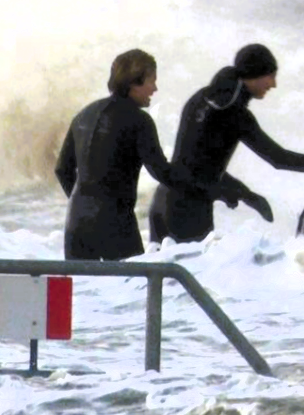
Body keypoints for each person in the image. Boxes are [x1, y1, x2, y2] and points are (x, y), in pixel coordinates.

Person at [55, 49, 233, 261]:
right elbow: (163, 173)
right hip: (115, 222)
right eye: (151, 81)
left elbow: (62, 169)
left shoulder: (84, 114)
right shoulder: (138, 121)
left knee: (83, 291)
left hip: (76, 223)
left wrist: (83, 204)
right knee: (134, 287)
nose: (155, 88)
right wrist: (208, 189)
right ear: (134, 82)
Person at [148, 43, 304, 244]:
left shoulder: (201, 97)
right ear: (254, 74)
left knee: (157, 274)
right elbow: (278, 158)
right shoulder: (234, 113)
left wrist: (245, 193)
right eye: (270, 76)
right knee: (189, 275)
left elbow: (197, 162)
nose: (273, 84)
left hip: (162, 202)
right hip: (188, 210)